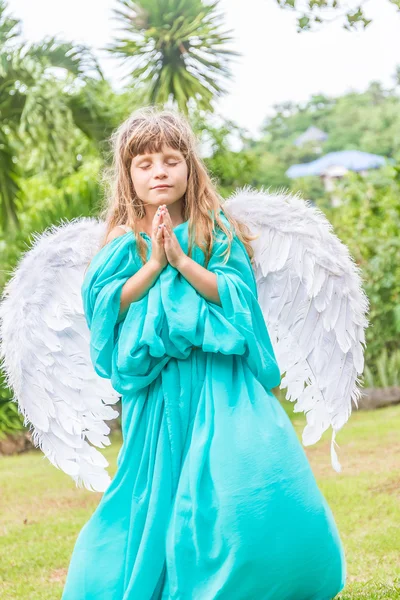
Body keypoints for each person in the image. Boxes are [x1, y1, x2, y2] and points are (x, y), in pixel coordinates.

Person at [62, 106, 346, 599]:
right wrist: (152, 264)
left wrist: (179, 261)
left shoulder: (214, 228)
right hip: (159, 393)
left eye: (171, 160)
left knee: (249, 476)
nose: (159, 171)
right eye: (145, 163)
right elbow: (106, 303)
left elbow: (236, 296)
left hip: (222, 381)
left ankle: (262, 579)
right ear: (128, 175)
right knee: (156, 494)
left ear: (189, 167)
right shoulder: (120, 240)